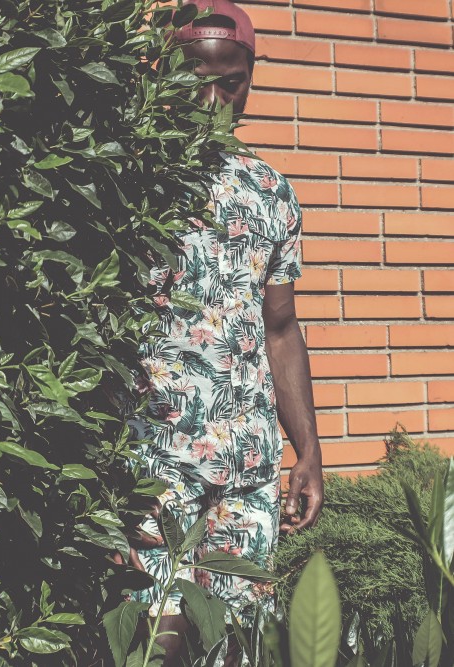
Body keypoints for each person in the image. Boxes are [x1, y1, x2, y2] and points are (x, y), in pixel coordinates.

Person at [117, 1, 324, 664]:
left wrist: (308, 450)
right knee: (153, 640)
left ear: (249, 77)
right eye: (195, 80)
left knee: (234, 643)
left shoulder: (271, 192)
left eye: (231, 83)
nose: (213, 101)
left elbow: (281, 327)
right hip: (154, 462)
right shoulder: (128, 180)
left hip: (247, 464)